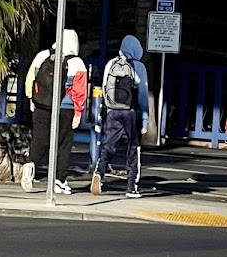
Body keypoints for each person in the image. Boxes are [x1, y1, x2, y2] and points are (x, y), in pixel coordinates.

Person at [20, 29, 87, 194]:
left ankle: (30, 165)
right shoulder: (77, 63)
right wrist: (78, 112)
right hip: (65, 108)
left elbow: (31, 78)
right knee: (63, 143)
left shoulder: (43, 55)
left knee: (40, 139)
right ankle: (59, 180)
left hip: (42, 105)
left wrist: (31, 98)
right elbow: (80, 91)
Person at [90, 34, 149, 198]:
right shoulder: (139, 67)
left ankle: (99, 172)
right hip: (131, 112)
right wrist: (145, 120)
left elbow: (104, 87)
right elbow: (143, 94)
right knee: (133, 147)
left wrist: (105, 110)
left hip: (112, 111)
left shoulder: (111, 64)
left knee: (109, 144)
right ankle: (131, 187)